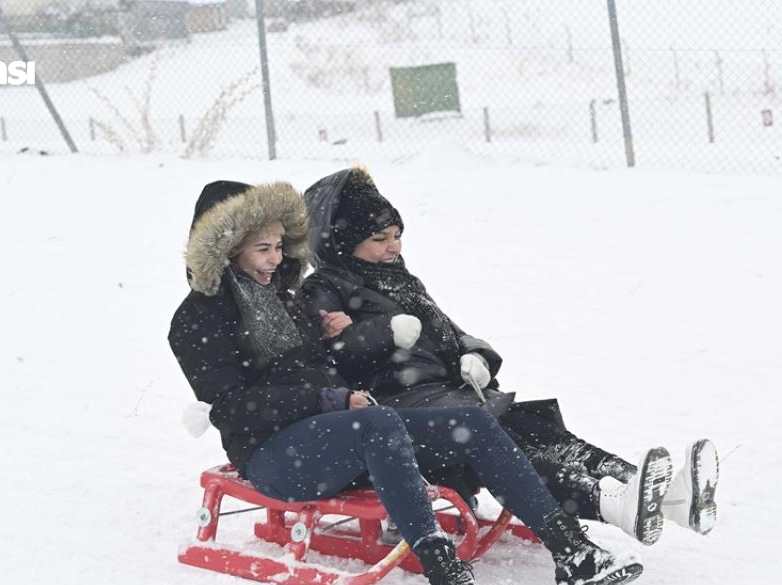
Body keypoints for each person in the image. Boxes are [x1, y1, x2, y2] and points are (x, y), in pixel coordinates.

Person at [169, 179, 644, 585]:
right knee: (375, 424)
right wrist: (328, 397)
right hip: (273, 456)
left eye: (278, 247)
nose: (276, 259)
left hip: (334, 434)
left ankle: (573, 553)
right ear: (227, 250)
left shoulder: (283, 300)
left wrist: (331, 336)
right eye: (262, 249)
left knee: (470, 420)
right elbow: (232, 407)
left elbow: (312, 365)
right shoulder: (196, 319)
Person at [300, 167, 720, 545]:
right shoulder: (326, 287)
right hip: (402, 406)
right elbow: (331, 360)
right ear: (343, 240)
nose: (394, 247)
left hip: (446, 392)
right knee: (512, 447)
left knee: (538, 430)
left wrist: (474, 354)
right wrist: (382, 333)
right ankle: (607, 500)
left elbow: (449, 330)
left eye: (397, 235)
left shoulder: (399, 277)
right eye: (380, 239)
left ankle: (658, 494)